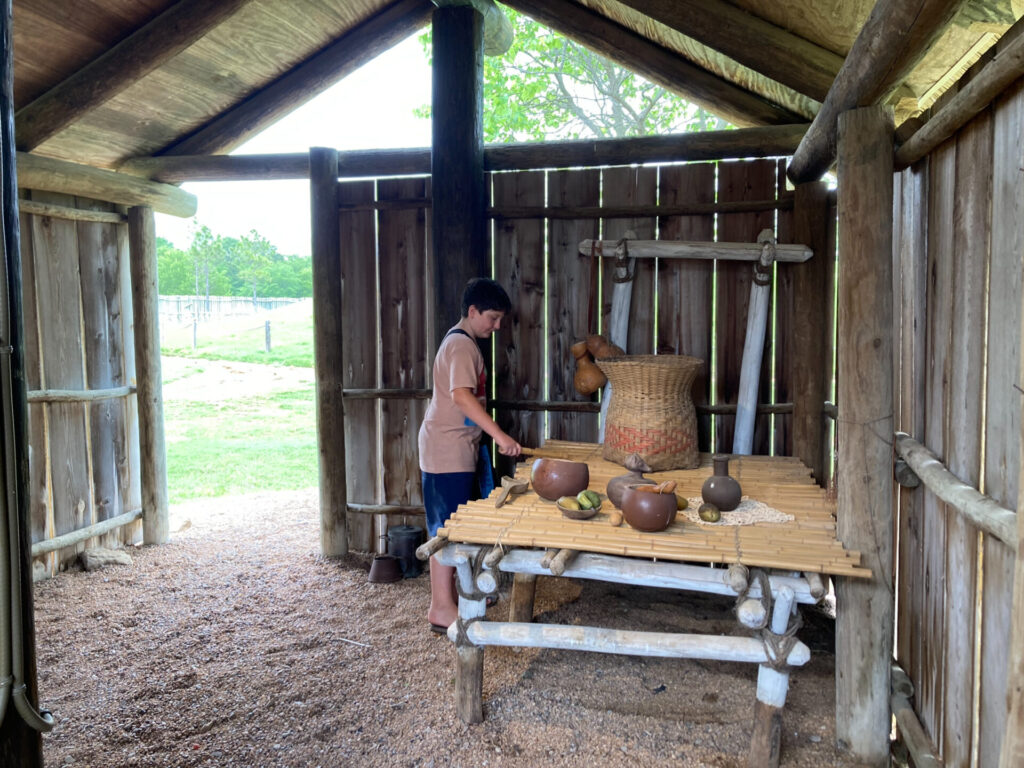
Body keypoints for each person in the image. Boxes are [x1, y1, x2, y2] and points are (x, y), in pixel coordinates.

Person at [418, 277, 522, 632]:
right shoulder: (461, 347)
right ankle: (440, 608)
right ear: (473, 311)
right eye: (492, 318)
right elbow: (461, 397)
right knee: (444, 529)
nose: (496, 326)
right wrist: (500, 436)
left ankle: (456, 597)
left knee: (455, 526)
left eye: (500, 320)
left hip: (458, 447)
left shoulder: (465, 345)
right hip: (445, 449)